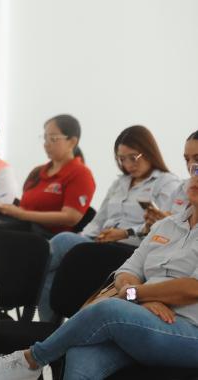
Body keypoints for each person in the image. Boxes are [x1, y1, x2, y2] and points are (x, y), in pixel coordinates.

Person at [0, 165, 198, 380]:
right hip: (144, 316)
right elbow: (127, 271)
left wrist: (135, 294)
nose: (197, 178)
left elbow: (192, 288)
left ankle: (31, 360)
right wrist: (141, 298)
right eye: (196, 170)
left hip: (189, 330)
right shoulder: (165, 225)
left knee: (108, 309)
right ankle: (28, 364)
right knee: (81, 351)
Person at [36, 125, 179, 322]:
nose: (128, 164)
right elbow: (99, 220)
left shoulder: (166, 183)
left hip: (132, 247)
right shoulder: (120, 183)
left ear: (148, 152)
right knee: (55, 263)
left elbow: (164, 224)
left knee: (61, 242)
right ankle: (49, 325)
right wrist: (87, 237)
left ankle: (28, 285)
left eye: (133, 157)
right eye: (122, 159)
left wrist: (126, 232)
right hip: (103, 242)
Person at [0, 114, 96, 238]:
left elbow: (71, 218)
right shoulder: (38, 172)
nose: (46, 144)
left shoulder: (81, 174)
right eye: (45, 139)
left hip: (48, 237)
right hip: (23, 227)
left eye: (53, 139)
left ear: (72, 142)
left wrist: (21, 214)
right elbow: (25, 207)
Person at [143, 130, 198, 226]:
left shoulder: (168, 181)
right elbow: (163, 215)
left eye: (197, 159)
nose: (190, 165)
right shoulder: (181, 188)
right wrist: (153, 222)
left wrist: (168, 222)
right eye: (187, 159)